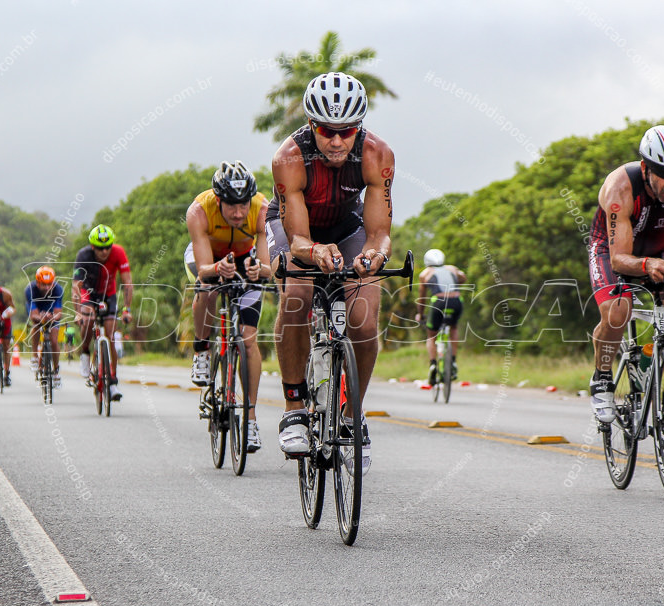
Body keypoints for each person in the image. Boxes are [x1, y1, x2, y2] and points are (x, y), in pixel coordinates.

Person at [269, 72, 395, 474]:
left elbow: (379, 234)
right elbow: (300, 239)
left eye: (347, 131)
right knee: (297, 296)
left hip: (347, 227)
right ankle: (293, 407)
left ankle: (351, 415)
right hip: (297, 231)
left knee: (363, 319)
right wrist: (315, 251)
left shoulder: (377, 154)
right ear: (311, 125)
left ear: (359, 127)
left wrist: (373, 257)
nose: (337, 142)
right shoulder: (289, 158)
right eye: (327, 131)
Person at [588, 124, 664, 443]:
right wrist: (646, 265)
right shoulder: (621, 188)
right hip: (613, 250)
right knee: (617, 311)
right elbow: (619, 260)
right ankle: (601, 379)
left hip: (659, 249)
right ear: (645, 168)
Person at [185, 160, 271, 452]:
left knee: (248, 339)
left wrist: (260, 270)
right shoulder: (199, 211)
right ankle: (201, 350)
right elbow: (203, 268)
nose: (238, 213)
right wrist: (216, 268)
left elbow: (267, 266)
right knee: (207, 288)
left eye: (243, 205)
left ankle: (251, 419)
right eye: (231, 206)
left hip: (245, 257)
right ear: (218, 200)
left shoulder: (262, 210)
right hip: (209, 257)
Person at [72, 224, 133, 401]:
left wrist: (127, 309)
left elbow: (127, 283)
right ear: (92, 246)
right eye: (100, 248)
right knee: (88, 317)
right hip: (88, 293)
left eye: (108, 247)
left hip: (109, 294)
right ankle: (85, 351)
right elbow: (76, 286)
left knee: (111, 334)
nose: (104, 251)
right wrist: (78, 312)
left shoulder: (118, 252)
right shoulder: (83, 256)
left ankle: (112, 381)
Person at [415, 248, 466, 384]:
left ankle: (432, 364)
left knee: (431, 335)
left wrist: (420, 314)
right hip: (456, 301)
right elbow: (463, 277)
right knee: (453, 328)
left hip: (438, 302)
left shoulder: (425, 273)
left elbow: (422, 298)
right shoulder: (452, 269)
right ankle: (453, 362)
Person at [25, 265, 64, 387]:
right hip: (37, 310)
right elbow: (33, 314)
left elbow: (58, 313)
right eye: (43, 284)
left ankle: (56, 370)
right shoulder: (30, 290)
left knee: (53, 340)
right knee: (36, 325)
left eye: (49, 284)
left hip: (51, 311)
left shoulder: (58, 289)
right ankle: (35, 357)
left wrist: (52, 317)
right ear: (37, 283)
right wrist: (41, 318)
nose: (47, 288)